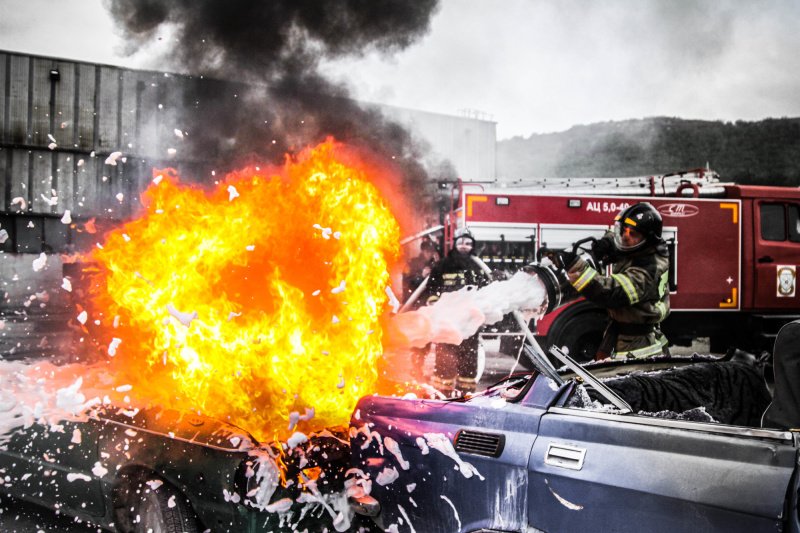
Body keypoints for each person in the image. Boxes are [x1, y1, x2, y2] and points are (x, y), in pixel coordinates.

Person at [550, 202, 671, 360]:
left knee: (621, 383)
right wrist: (607, 243)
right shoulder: (641, 250)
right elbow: (619, 234)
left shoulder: (648, 269)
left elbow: (609, 293)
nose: (625, 236)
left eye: (633, 233)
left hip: (638, 348)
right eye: (623, 231)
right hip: (619, 334)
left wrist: (575, 267)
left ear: (647, 239)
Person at [424, 227, 490, 394]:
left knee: (468, 363)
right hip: (448, 325)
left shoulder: (478, 267)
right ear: (454, 244)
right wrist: (436, 310)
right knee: (445, 362)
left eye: (468, 243)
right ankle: (442, 395)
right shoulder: (442, 266)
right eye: (460, 242)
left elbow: (486, 293)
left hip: (470, 325)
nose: (464, 246)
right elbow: (432, 291)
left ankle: (465, 397)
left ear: (473, 246)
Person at [402, 239, 438, 306]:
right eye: (428, 251)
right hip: (413, 304)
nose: (430, 254)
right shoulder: (411, 263)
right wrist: (421, 277)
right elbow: (406, 283)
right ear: (423, 251)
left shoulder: (434, 265)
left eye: (432, 252)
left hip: (428, 303)